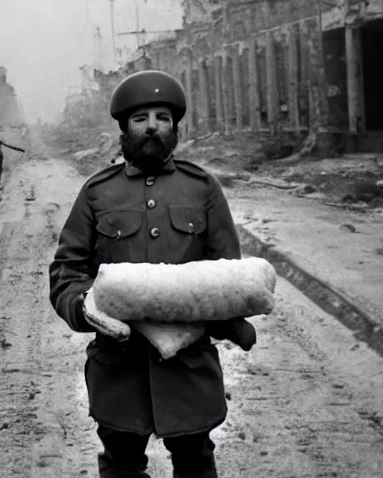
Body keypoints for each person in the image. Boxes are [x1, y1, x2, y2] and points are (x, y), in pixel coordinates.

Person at [49, 70, 256, 478]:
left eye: (162, 117)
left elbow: (228, 274)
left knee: (196, 463)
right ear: (124, 127)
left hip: (187, 366)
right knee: (121, 466)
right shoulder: (97, 192)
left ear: (174, 126)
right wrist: (82, 307)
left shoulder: (202, 188)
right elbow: (66, 270)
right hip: (118, 366)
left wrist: (220, 320)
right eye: (140, 118)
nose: (152, 127)